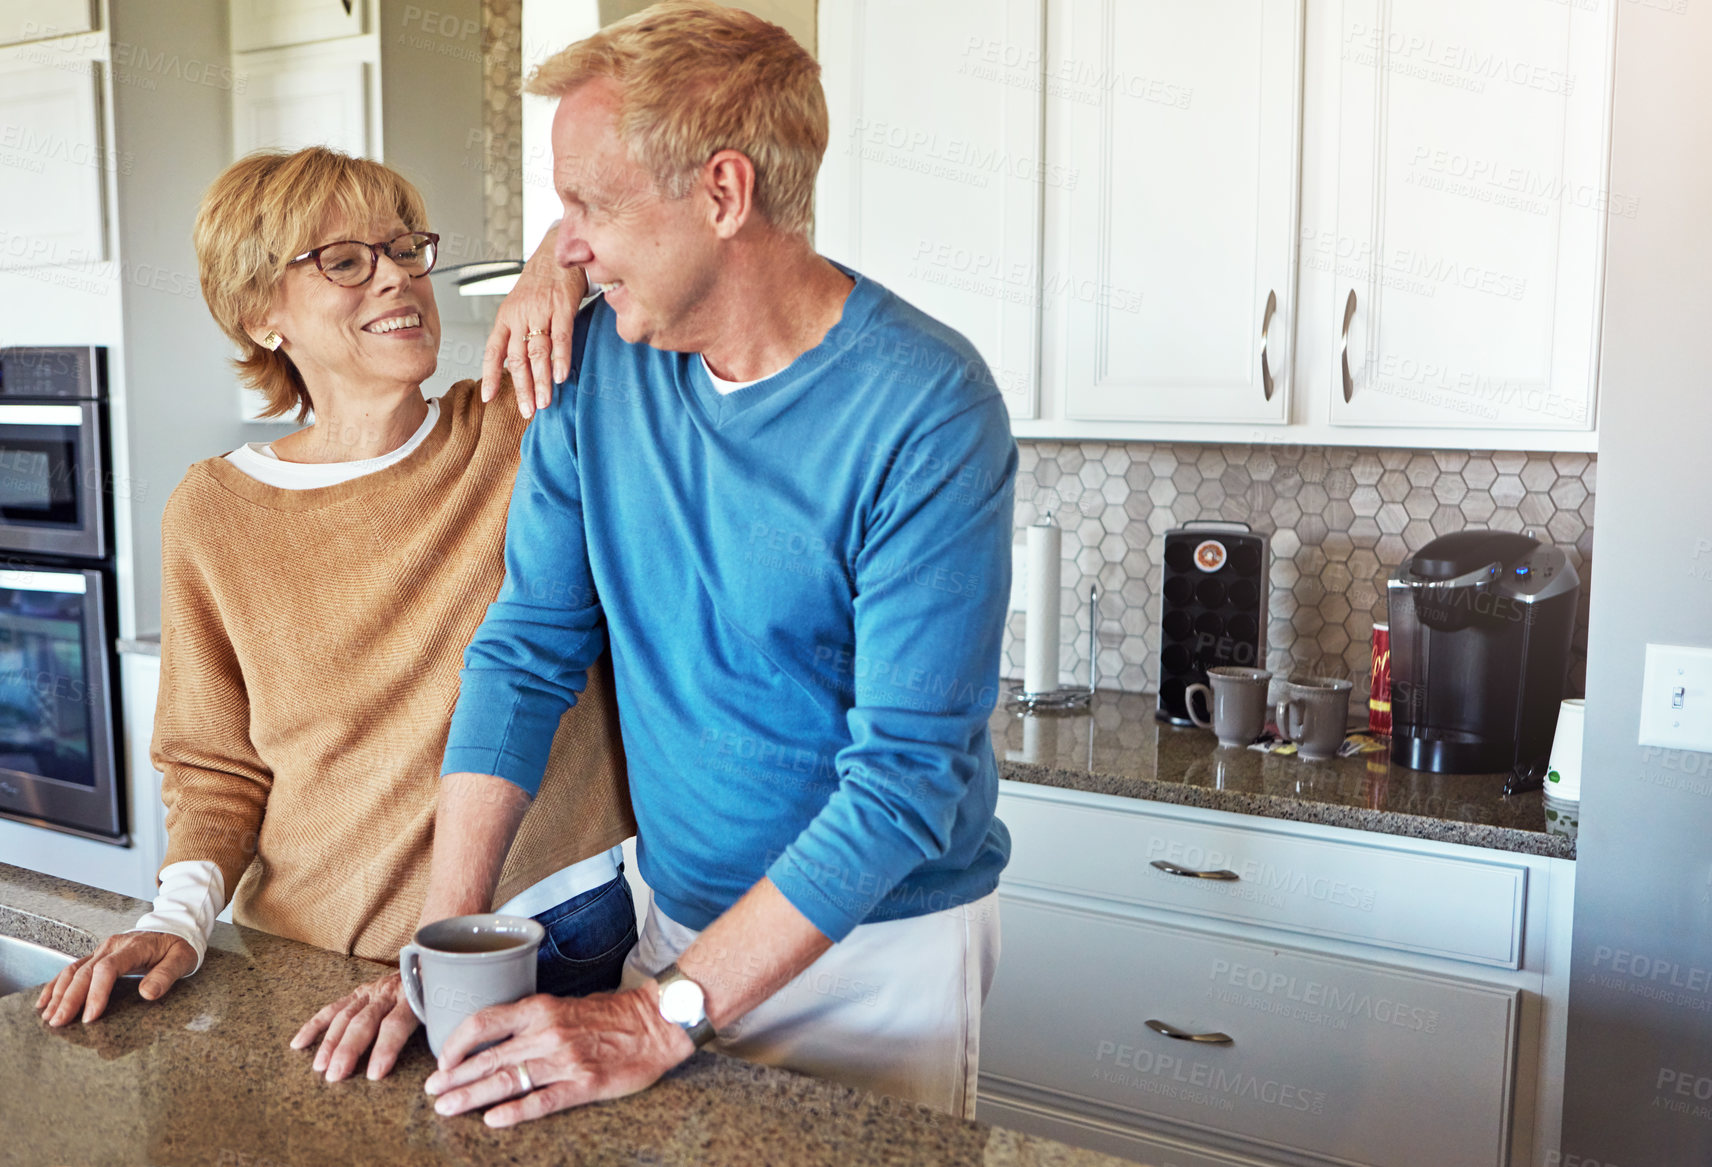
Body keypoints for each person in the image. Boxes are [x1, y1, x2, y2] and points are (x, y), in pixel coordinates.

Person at [403, 1, 1016, 1128]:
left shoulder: (927, 408)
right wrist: (450, 938)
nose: (567, 246)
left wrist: (658, 1016)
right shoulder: (593, 366)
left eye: (588, 205)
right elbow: (529, 647)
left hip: (877, 954)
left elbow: (905, 781)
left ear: (724, 195)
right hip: (674, 920)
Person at [34, 147, 635, 1086]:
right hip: (308, 956)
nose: (395, 275)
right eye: (344, 260)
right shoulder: (214, 511)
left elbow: (643, 230)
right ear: (261, 314)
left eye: (403, 249)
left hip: (538, 929)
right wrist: (177, 918)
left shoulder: (521, 419)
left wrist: (553, 255)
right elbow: (212, 765)